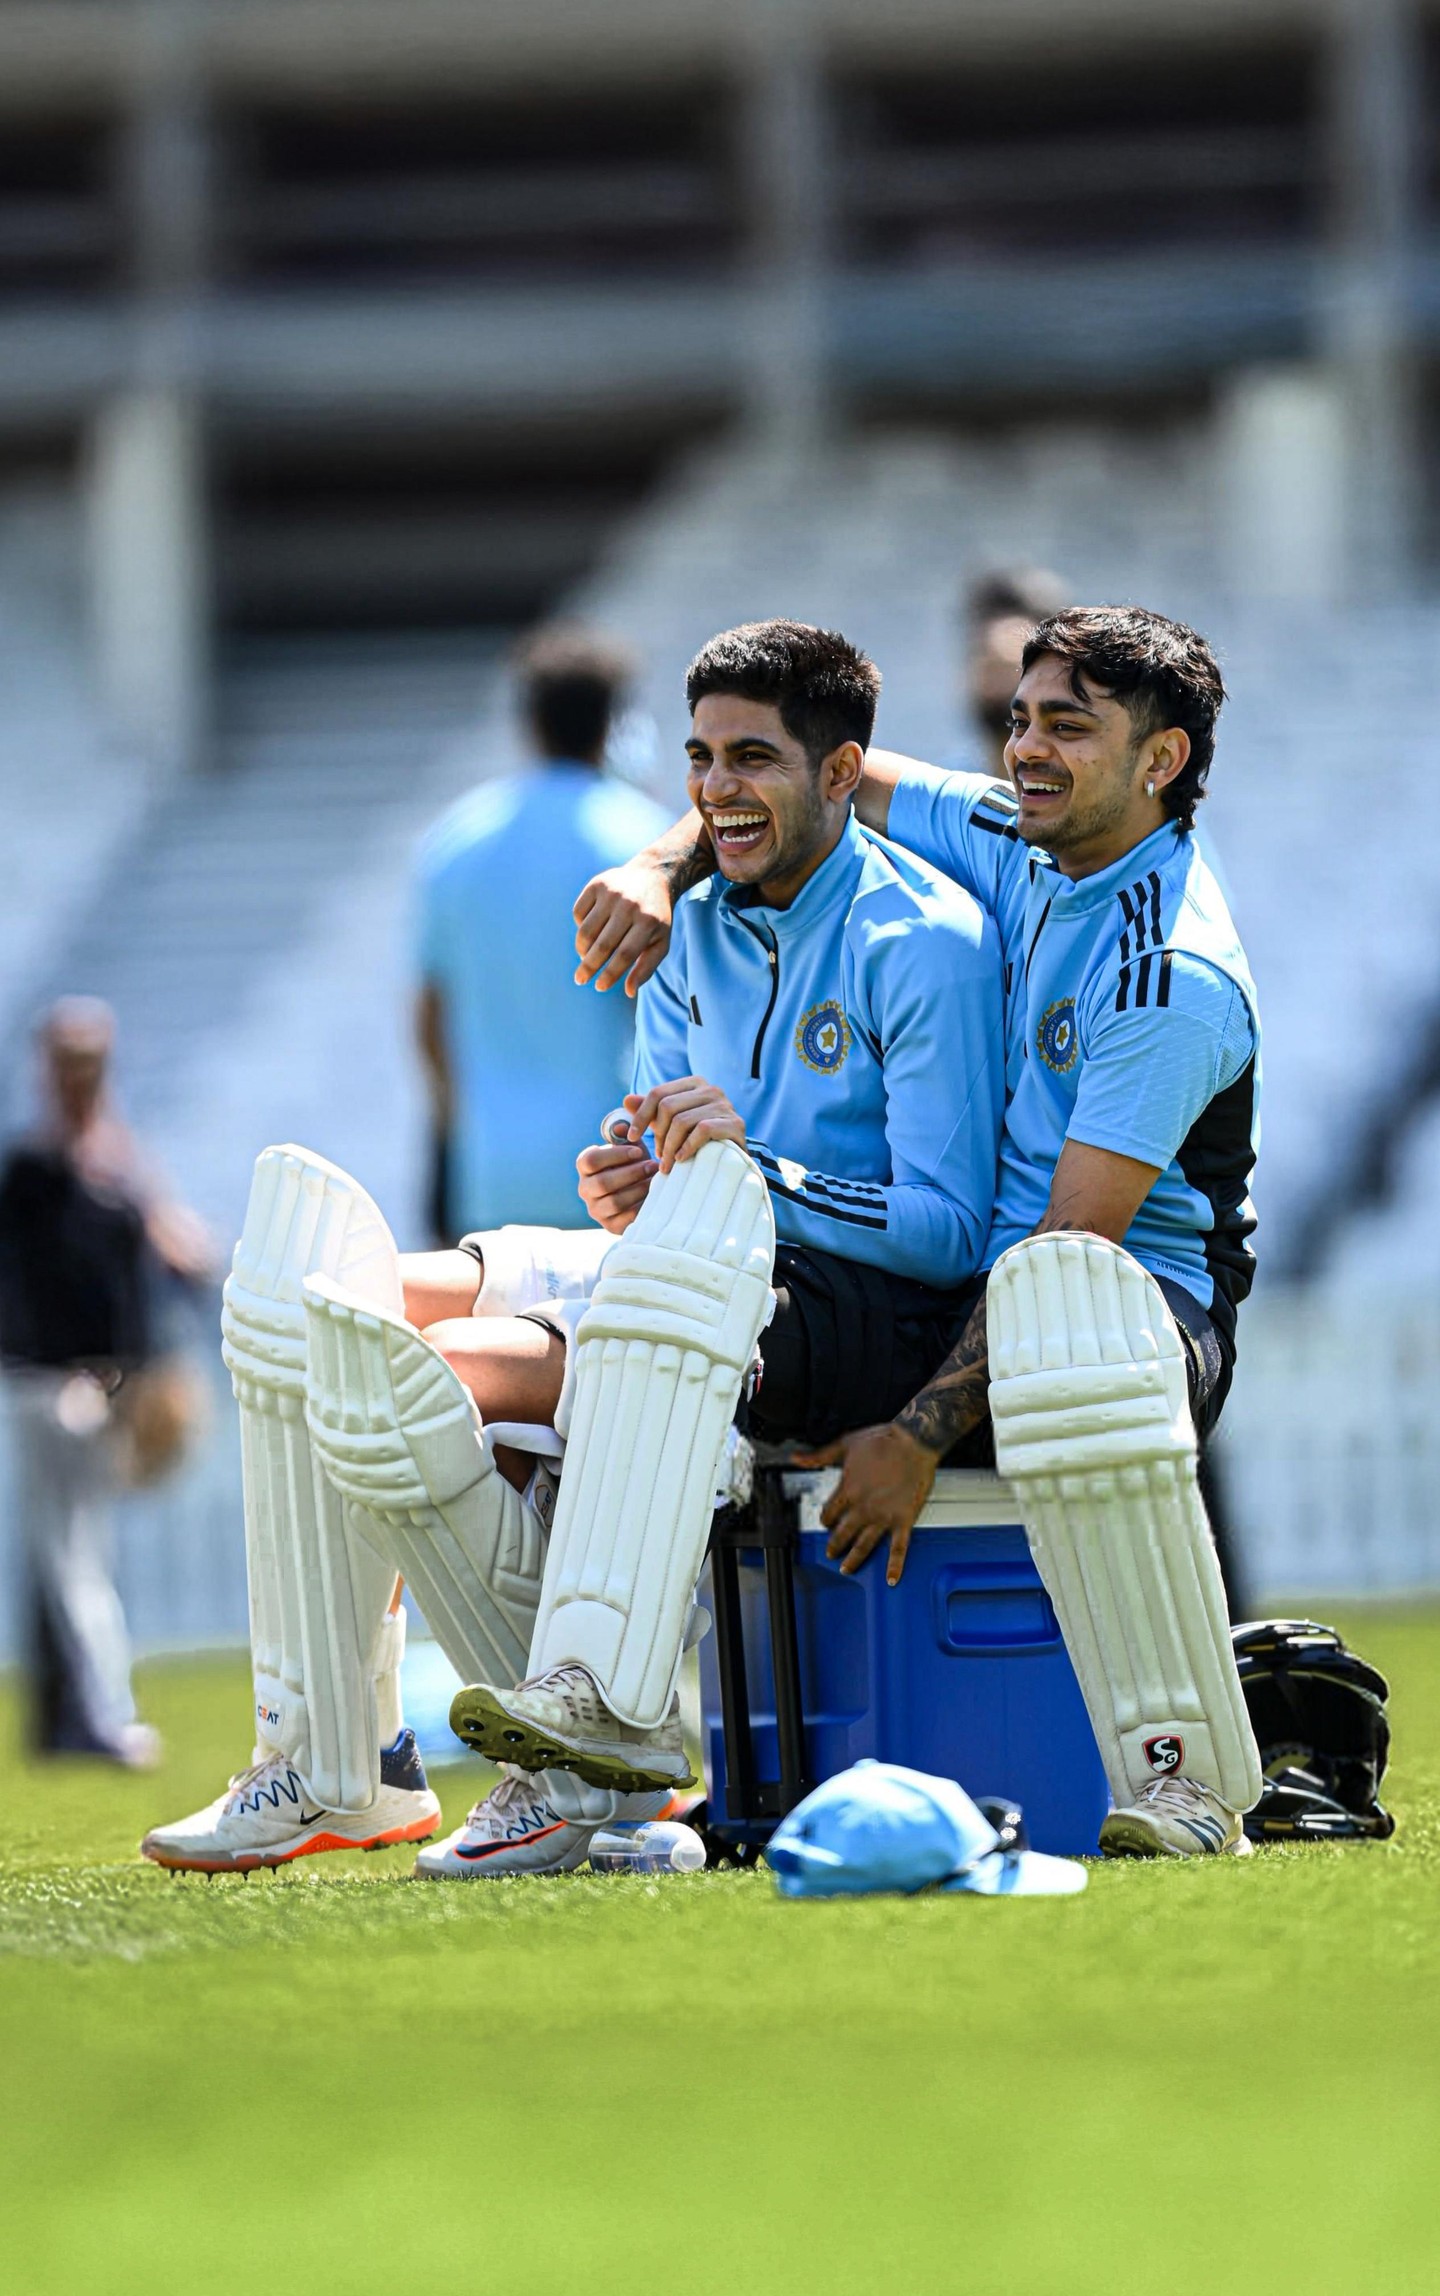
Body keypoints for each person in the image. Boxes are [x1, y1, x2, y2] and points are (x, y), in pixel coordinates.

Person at [140, 620, 1005, 1879]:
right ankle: (338, 1757)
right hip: (683, 1266)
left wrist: (750, 1171)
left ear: (840, 771)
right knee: (317, 1302)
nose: (714, 788)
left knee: (422, 1379)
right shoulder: (681, 926)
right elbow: (663, 1167)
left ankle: (584, 1756)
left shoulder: (926, 938)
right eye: (700, 756)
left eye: (751, 757)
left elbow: (948, 1230)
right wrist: (636, 1175)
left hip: (849, 1303)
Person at [571, 605, 1265, 1860]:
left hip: (1142, 1302)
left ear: (1161, 760)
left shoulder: (1168, 970)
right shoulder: (1017, 830)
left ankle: (1190, 1777)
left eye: (1069, 725)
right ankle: (591, 1742)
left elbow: (1068, 1245)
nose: (1026, 748)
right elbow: (801, 774)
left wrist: (915, 1432)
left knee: (1068, 1330)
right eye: (1021, 718)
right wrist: (659, 869)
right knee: (672, 1309)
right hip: (975, 1286)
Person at [0, 999, 213, 1764]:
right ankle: (103, 1715)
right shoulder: (36, 1170)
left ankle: (61, 1721)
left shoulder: (115, 1161)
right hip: (52, 1384)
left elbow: (185, 1255)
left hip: (100, 1385)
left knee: (64, 1555)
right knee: (72, 1560)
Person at [414, 623, 664, 1239]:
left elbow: (429, 1016)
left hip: (491, 1177)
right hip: (619, 1177)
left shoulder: (456, 839)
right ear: (614, 721)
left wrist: (463, 1129)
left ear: (528, 721)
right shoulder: (648, 846)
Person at [963, 566, 1069, 778]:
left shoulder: (1079, 778)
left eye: (1009, 666)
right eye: (988, 665)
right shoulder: (954, 780)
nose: (996, 686)